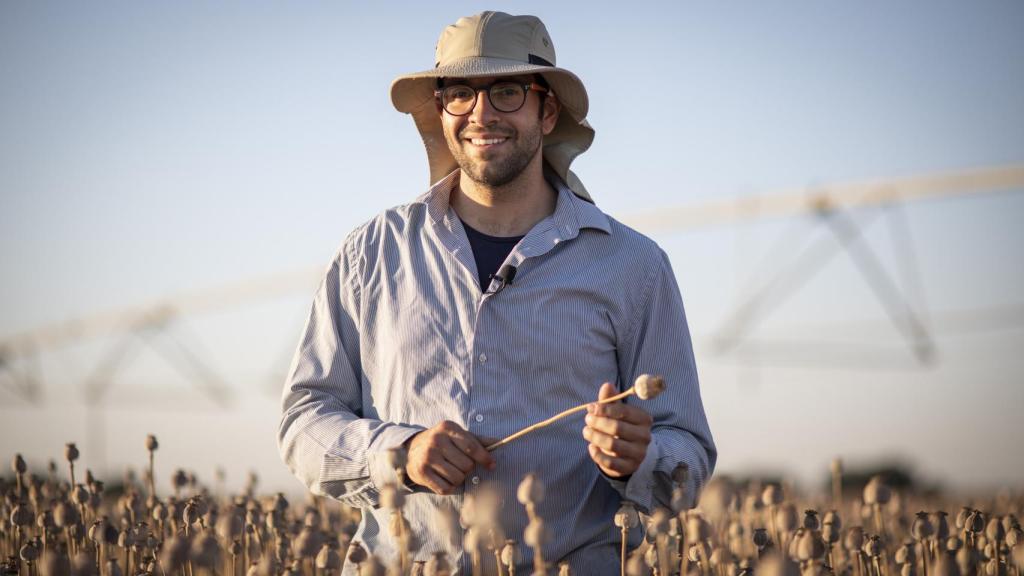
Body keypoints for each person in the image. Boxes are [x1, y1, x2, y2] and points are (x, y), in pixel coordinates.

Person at [278, 11, 716, 575]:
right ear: (440, 111)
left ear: (547, 109)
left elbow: (690, 451)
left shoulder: (634, 266)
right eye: (460, 93)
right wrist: (401, 454)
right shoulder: (371, 253)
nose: (481, 114)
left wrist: (640, 456)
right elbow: (304, 419)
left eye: (506, 92)